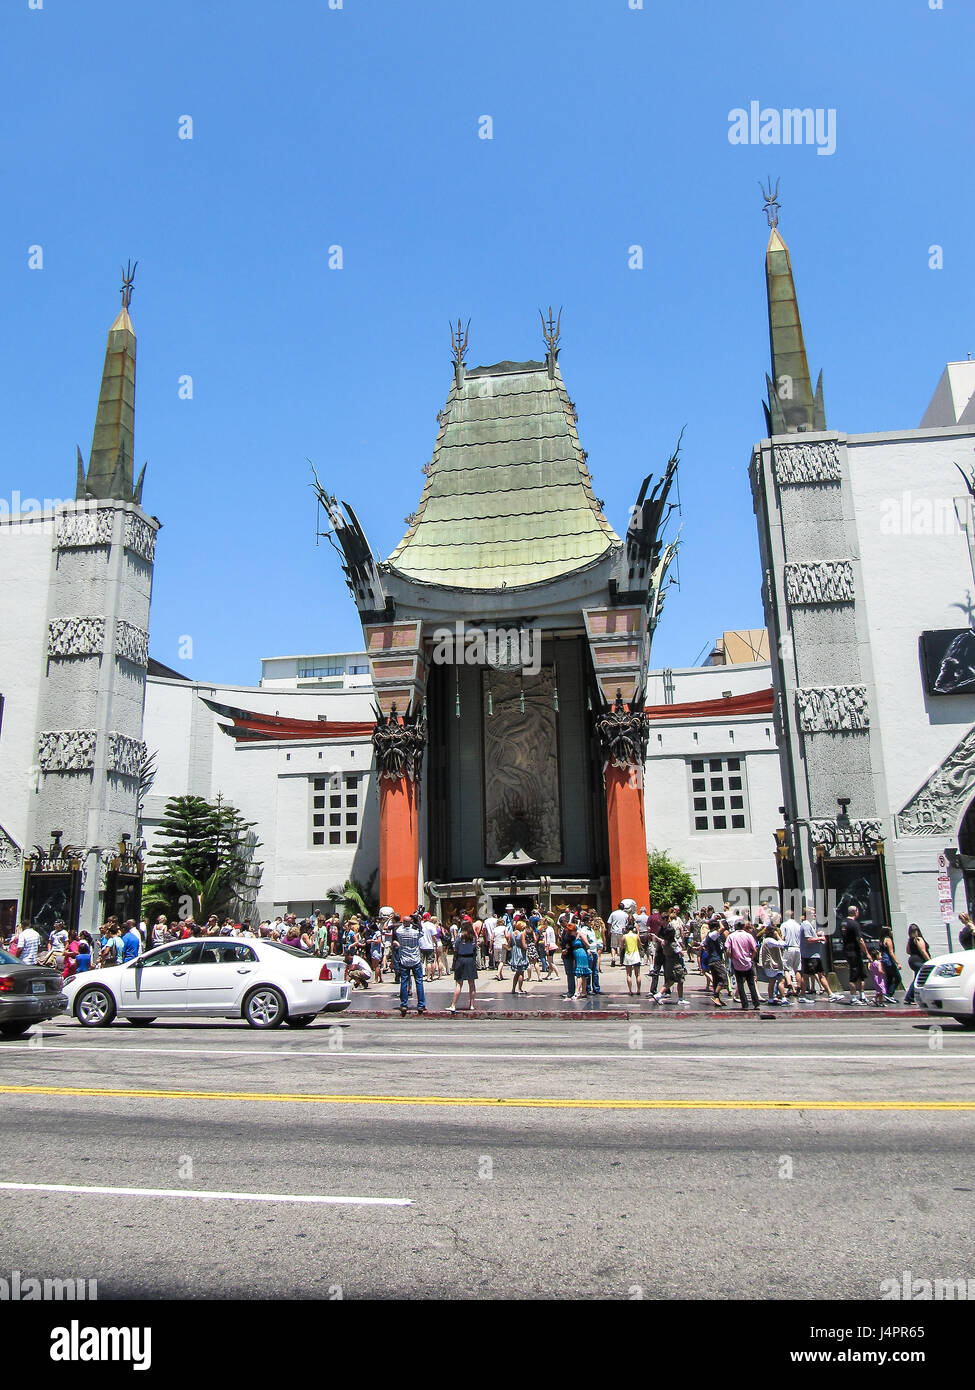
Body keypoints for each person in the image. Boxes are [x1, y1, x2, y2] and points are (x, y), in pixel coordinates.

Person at [726, 919, 761, 1011]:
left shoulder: (731, 936)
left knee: (740, 984)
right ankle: (756, 1003)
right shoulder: (748, 936)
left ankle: (744, 1004)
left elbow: (727, 950)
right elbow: (755, 949)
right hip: (748, 962)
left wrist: (732, 957)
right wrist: (751, 958)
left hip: (737, 963)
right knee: (751, 983)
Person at [396, 915, 426, 1016]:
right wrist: (416, 923)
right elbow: (422, 932)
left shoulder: (399, 932)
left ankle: (404, 1004)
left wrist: (407, 923)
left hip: (404, 959)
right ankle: (421, 1004)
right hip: (415, 959)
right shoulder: (415, 932)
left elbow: (399, 927)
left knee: (404, 982)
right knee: (419, 982)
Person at [840, 907, 870, 1005]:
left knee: (861, 974)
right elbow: (860, 940)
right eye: (858, 911)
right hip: (854, 953)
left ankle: (862, 996)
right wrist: (867, 953)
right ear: (855, 912)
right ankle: (853, 998)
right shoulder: (854, 924)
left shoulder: (843, 923)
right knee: (854, 975)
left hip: (848, 952)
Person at [449, 920, 479, 1013]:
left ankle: (453, 1005)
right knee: (472, 983)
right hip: (470, 959)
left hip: (461, 959)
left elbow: (455, 947)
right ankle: (472, 1005)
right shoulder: (473, 937)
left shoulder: (460, 936)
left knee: (459, 983)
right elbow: (475, 948)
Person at [702, 919, 730, 1008]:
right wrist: (719, 921)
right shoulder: (713, 934)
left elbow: (703, 945)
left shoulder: (708, 936)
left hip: (712, 960)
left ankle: (717, 999)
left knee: (716, 981)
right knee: (724, 979)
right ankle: (715, 995)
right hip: (715, 960)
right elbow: (722, 928)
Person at [758, 924, 788, 1004]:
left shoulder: (766, 940)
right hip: (773, 965)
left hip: (771, 965)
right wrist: (777, 936)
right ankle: (783, 998)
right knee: (781, 981)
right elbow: (783, 944)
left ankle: (771, 999)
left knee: (772, 981)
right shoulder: (769, 940)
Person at [904, 924, 931, 1005]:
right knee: (920, 979)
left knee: (918, 978)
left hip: (912, 960)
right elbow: (923, 951)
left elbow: (908, 951)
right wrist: (929, 961)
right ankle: (909, 997)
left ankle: (911, 997)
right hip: (919, 960)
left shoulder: (910, 940)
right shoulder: (918, 939)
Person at [877, 923, 903, 999]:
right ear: (887, 932)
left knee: (889, 978)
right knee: (898, 978)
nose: (892, 932)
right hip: (889, 961)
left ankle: (887, 993)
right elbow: (891, 952)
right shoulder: (888, 940)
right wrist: (897, 963)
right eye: (890, 930)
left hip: (884, 961)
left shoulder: (881, 940)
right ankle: (889, 994)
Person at [509, 916, 529, 995]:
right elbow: (524, 946)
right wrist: (528, 946)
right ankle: (520, 989)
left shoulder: (512, 933)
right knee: (521, 972)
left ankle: (513, 988)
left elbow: (510, 943)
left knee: (517, 973)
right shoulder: (521, 934)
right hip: (520, 953)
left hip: (514, 953)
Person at [622, 921, 642, 995]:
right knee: (638, 974)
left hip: (628, 956)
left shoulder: (625, 936)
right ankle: (638, 990)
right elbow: (640, 945)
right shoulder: (636, 936)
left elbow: (622, 945)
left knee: (628, 974)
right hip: (636, 955)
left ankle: (630, 990)